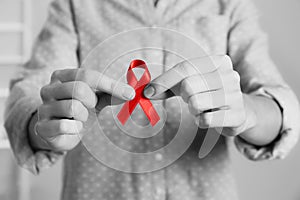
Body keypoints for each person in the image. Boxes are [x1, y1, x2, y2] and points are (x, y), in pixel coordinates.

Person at [4, 0, 300, 199]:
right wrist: (46, 124)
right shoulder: (75, 5)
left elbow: (277, 104)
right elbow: (30, 93)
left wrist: (247, 112)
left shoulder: (229, 4)